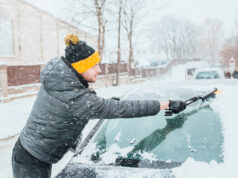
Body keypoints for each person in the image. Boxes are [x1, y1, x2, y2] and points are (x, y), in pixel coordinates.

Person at [11, 33, 186, 178]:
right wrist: (166, 104)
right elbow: (121, 109)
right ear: (81, 67)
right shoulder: (75, 98)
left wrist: (106, 106)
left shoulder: (61, 79)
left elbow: (78, 110)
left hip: (31, 151)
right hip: (31, 159)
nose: (99, 70)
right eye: (94, 65)